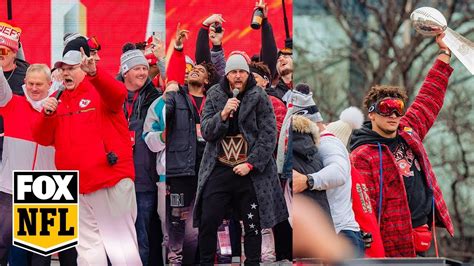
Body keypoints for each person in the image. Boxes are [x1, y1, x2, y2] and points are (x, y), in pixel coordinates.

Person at [32, 38, 142, 265]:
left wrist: (96, 73)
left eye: (71, 68)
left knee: (122, 251)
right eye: (62, 69)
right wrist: (47, 114)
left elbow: (119, 94)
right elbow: (43, 138)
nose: (65, 74)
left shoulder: (101, 90)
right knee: (88, 253)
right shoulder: (57, 99)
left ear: (83, 68)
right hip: (77, 187)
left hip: (110, 181)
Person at [350, 35, 454, 257]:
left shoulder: (409, 132)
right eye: (387, 108)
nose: (394, 114)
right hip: (390, 243)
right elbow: (362, 205)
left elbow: (429, 97)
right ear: (372, 114)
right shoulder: (362, 155)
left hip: (422, 236)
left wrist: (444, 54)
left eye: (399, 108)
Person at [194, 53, 288, 264]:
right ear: (227, 75)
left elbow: (269, 134)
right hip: (219, 166)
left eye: (242, 72)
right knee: (208, 219)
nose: (238, 76)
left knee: (252, 223)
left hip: (249, 170)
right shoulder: (215, 95)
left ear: (247, 73)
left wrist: (251, 163)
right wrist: (223, 115)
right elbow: (207, 132)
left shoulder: (260, 96)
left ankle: (252, 262)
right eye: (233, 72)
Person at [119, 47, 162, 266]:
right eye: (137, 68)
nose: (143, 73)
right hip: (115, 178)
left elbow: (173, 86)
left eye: (145, 68)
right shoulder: (111, 96)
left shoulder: (154, 97)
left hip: (143, 178)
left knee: (141, 234)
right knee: (115, 235)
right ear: (125, 71)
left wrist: (162, 58)